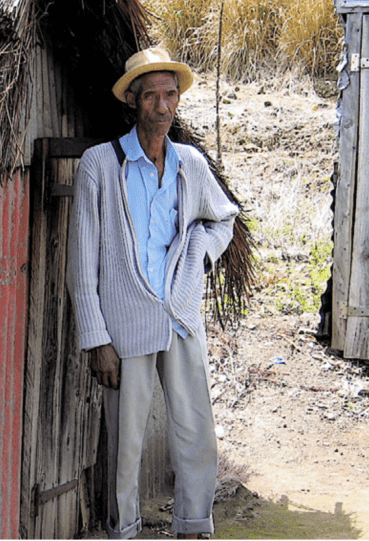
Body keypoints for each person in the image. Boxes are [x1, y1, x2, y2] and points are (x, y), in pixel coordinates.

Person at [67, 47, 239, 539]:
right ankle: (124, 530)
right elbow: (82, 263)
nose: (163, 107)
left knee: (196, 432)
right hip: (125, 327)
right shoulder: (99, 165)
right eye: (152, 97)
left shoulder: (190, 163)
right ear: (133, 102)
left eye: (170, 96)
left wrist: (200, 253)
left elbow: (223, 218)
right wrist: (97, 339)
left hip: (180, 316)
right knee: (127, 445)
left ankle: (193, 525)